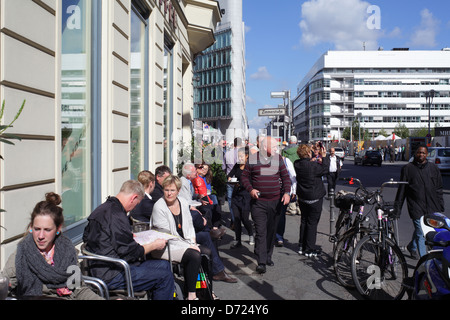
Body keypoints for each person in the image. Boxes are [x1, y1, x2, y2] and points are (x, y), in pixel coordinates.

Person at [83, 180, 174, 300]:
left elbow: (87, 237)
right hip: (112, 273)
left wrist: (127, 237)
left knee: (164, 265)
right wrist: (154, 245)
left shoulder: (101, 209)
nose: (135, 207)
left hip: (102, 266)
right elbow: (132, 253)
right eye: (137, 203)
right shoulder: (117, 216)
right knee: (165, 277)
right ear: (133, 198)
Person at [2, 192, 103, 300]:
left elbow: (78, 289)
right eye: (37, 229)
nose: (40, 236)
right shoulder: (21, 255)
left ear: (58, 229)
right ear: (31, 227)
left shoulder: (68, 253)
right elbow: (5, 283)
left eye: (47, 230)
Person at [240, 136, 292, 274]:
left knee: (271, 231)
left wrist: (287, 192)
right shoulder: (252, 159)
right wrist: (250, 189)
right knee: (261, 232)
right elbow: (244, 177)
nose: (277, 149)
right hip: (259, 203)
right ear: (264, 147)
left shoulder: (278, 158)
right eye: (274, 147)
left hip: (275, 202)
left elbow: (285, 177)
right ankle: (261, 261)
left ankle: (268, 255)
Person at [395, 145, 445, 259]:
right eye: (419, 153)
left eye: (423, 153)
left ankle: (412, 246)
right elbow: (402, 190)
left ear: (427, 154)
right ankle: (424, 259)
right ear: (415, 153)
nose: (421, 155)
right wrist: (397, 209)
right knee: (421, 231)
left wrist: (440, 204)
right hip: (415, 205)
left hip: (432, 205)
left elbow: (439, 188)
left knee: (422, 230)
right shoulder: (408, 168)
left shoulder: (433, 168)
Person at [294, 143, 329, 257]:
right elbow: (324, 169)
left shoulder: (297, 164)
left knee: (304, 220)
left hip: (303, 197)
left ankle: (301, 246)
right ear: (308, 153)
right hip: (314, 197)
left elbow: (309, 166)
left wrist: (313, 159)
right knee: (312, 223)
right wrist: (324, 157)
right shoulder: (313, 166)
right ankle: (309, 249)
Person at [227, 147, 254, 248]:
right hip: (236, 195)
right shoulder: (237, 165)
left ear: (247, 156)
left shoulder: (250, 167)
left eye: (241, 156)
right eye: (238, 156)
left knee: (245, 218)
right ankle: (238, 240)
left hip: (246, 196)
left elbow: (252, 182)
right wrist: (230, 179)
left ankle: (251, 234)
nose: (239, 158)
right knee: (237, 218)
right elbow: (230, 175)